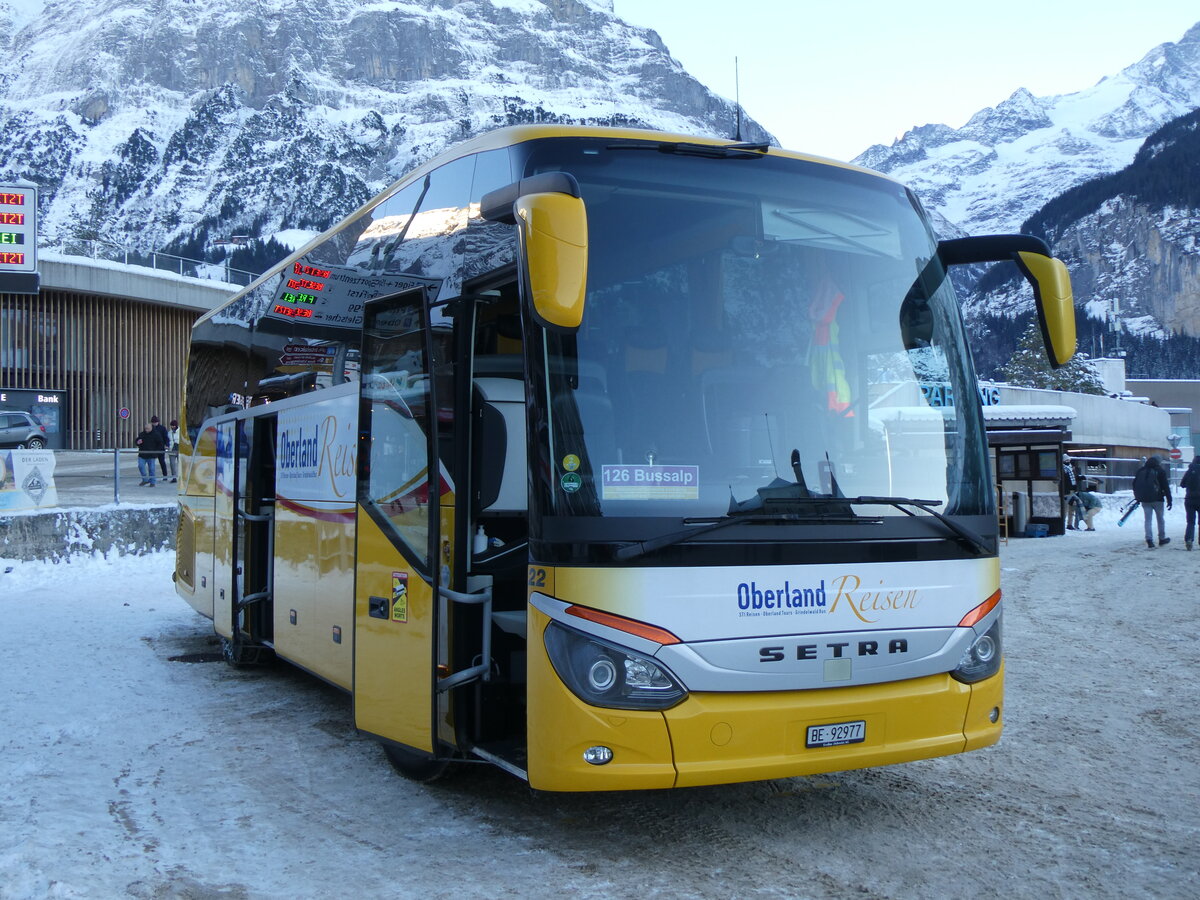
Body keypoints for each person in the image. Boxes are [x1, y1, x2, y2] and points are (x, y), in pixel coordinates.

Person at [1132, 454, 1172, 548]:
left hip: (1145, 500)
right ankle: (1162, 538)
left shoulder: (1141, 470)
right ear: (1159, 462)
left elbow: (1134, 484)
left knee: (1148, 520)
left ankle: (1149, 539)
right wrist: (1169, 499)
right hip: (1158, 499)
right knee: (1160, 519)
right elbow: (1165, 486)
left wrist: (1138, 496)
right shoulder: (1160, 471)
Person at [135, 422, 166, 486]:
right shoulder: (142, 434)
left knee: (151, 469)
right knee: (140, 466)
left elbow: (160, 444)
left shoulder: (156, 434)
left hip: (152, 455)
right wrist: (138, 442)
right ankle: (145, 479)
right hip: (142, 454)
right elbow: (137, 441)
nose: (146, 430)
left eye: (148, 429)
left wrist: (156, 452)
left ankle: (152, 482)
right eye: (145, 428)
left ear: (151, 428)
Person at [1179, 456, 1200, 550]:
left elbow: (1182, 484)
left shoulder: (1189, 471)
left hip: (1189, 500)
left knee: (1190, 522)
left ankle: (1189, 539)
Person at [1062, 456, 1082, 530]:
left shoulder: (1071, 468)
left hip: (1073, 490)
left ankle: (1069, 524)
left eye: (1069, 459)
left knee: (1072, 507)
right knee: (1065, 508)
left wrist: (1080, 478)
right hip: (1067, 491)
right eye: (1067, 459)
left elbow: (1074, 477)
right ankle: (1063, 523)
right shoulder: (1063, 469)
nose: (1068, 461)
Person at [166, 419, 180, 483]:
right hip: (172, 449)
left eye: (174, 426)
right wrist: (167, 446)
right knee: (172, 464)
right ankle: (174, 477)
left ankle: (181, 477)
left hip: (179, 449)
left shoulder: (181, 431)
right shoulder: (169, 433)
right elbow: (167, 441)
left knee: (181, 464)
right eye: (171, 426)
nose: (172, 427)